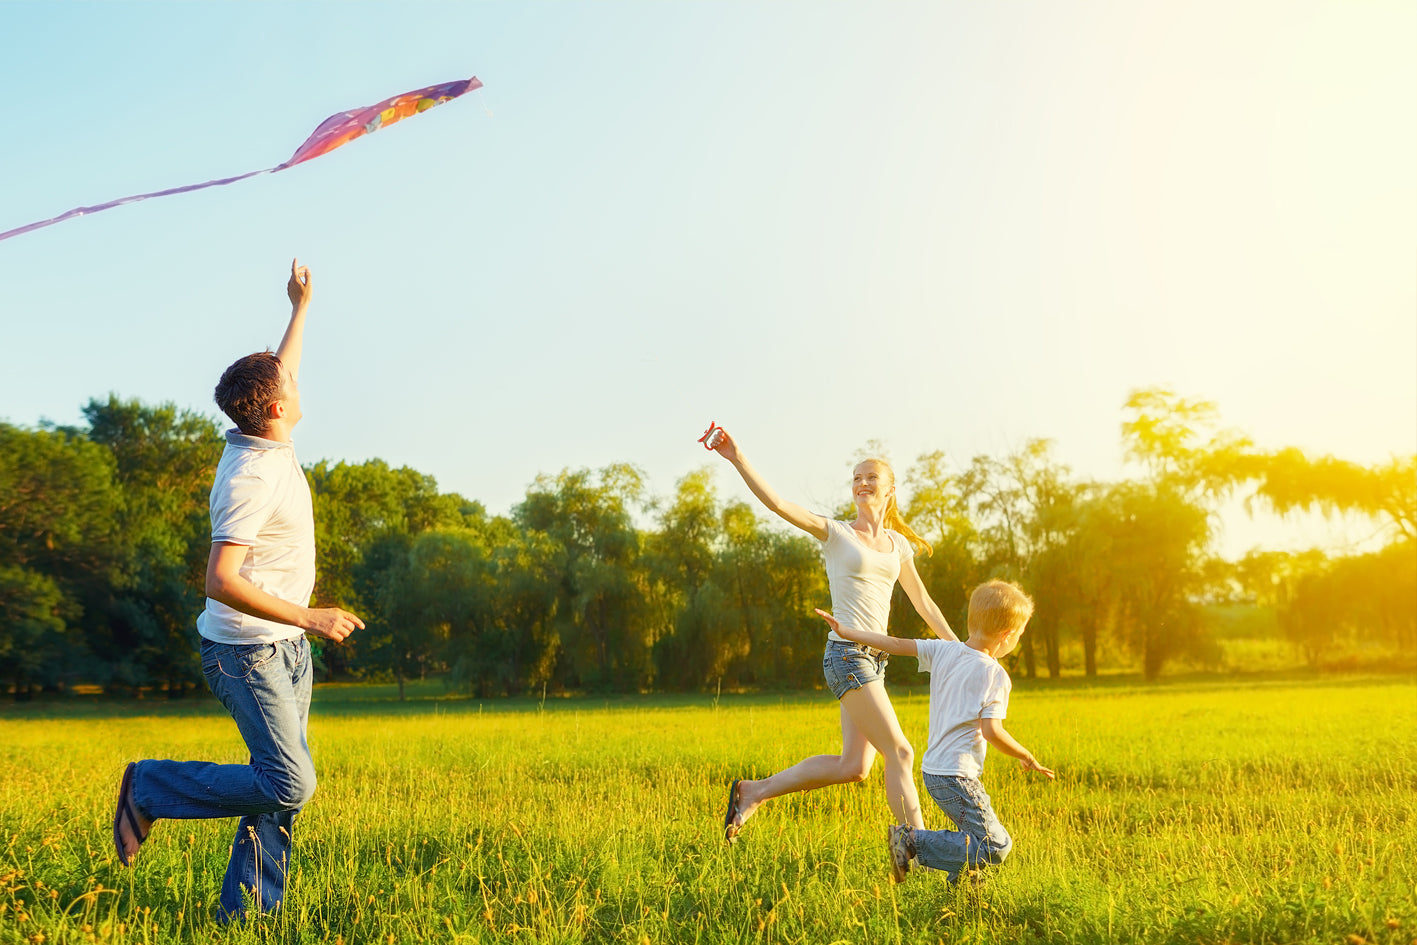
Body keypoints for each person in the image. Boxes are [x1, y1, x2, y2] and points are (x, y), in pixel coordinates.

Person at [111, 259, 364, 920]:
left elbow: (282, 370)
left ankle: (244, 915)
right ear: (277, 408)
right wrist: (309, 616)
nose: (297, 383)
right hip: (247, 651)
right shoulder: (250, 475)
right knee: (289, 780)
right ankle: (150, 783)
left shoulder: (270, 436)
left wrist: (300, 306)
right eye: (289, 385)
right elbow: (220, 580)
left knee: (276, 788)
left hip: (282, 647)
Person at [707, 426, 955, 841]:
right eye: (857, 477)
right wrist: (737, 457)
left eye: (871, 477)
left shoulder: (897, 545)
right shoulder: (837, 534)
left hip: (875, 658)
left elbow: (923, 604)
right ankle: (919, 845)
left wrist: (960, 649)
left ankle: (753, 791)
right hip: (847, 656)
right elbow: (779, 504)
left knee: (853, 767)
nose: (862, 483)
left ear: (891, 489)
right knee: (901, 752)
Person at [818, 579, 1054, 883]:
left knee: (970, 839)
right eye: (1019, 634)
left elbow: (895, 643)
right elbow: (993, 732)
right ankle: (912, 842)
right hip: (959, 777)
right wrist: (1026, 755)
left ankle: (963, 894)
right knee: (995, 846)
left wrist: (848, 633)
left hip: (933, 773)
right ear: (1007, 636)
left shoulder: (943, 651)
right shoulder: (994, 674)